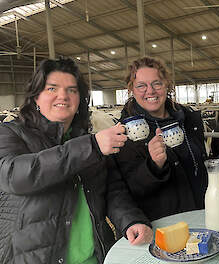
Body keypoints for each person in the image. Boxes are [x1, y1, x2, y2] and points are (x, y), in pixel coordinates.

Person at [0, 58, 153, 264]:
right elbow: (14, 176)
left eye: (72, 90)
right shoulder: (11, 133)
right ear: (36, 96)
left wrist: (131, 220)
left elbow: (112, 190)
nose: (63, 95)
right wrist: (91, 146)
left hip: (96, 257)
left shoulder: (88, 139)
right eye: (52, 88)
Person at [114, 57, 208, 221]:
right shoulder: (125, 132)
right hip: (164, 224)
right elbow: (128, 189)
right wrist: (153, 166)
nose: (150, 91)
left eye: (156, 83)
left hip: (202, 213)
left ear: (166, 85)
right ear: (131, 90)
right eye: (141, 85)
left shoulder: (189, 119)